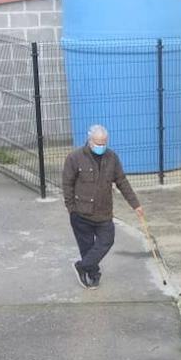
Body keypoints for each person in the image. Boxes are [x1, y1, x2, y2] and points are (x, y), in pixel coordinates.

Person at [61, 124, 143, 289]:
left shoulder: (112, 158)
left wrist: (135, 204)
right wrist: (71, 208)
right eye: (98, 143)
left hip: (104, 212)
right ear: (90, 140)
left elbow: (122, 181)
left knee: (107, 240)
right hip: (81, 213)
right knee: (87, 247)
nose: (101, 146)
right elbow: (67, 183)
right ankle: (92, 274)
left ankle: (82, 266)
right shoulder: (75, 157)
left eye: (104, 143)